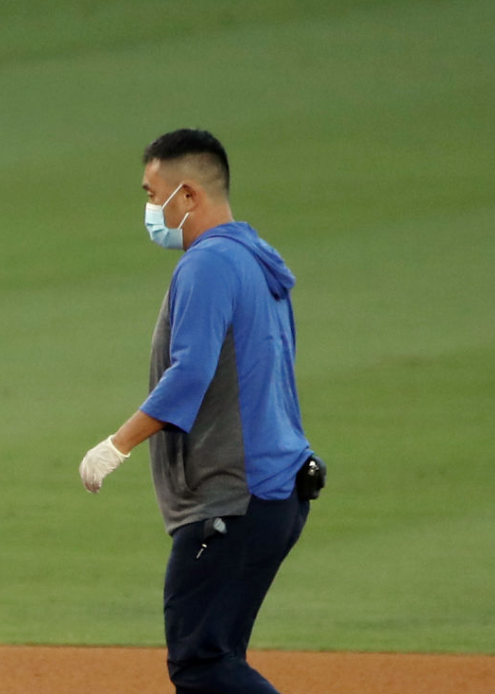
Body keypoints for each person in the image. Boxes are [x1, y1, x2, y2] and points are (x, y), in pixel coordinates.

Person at [77, 128, 323, 694]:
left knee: (202, 662)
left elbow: (190, 373)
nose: (147, 207)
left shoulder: (209, 264)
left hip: (232, 496)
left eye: (150, 192)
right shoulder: (256, 259)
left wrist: (117, 444)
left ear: (187, 195)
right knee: (219, 655)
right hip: (274, 490)